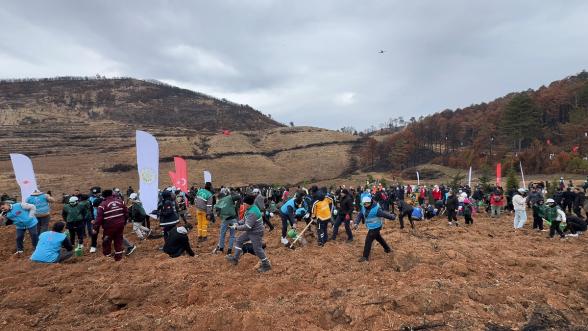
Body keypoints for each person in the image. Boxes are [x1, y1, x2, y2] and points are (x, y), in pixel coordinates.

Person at [226, 194, 272, 273]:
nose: (243, 205)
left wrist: (236, 227)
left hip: (256, 233)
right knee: (239, 240)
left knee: (257, 249)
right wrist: (237, 223)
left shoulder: (252, 212)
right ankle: (235, 259)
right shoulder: (250, 208)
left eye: (244, 203)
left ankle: (266, 264)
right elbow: (244, 220)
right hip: (251, 231)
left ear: (248, 203)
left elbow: (247, 226)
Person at [354, 196, 396, 262]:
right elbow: (360, 215)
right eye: (363, 204)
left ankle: (365, 257)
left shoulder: (376, 209)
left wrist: (393, 217)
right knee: (379, 238)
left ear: (369, 203)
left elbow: (385, 214)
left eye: (365, 204)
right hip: (371, 226)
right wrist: (356, 223)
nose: (364, 205)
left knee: (368, 240)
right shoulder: (364, 207)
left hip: (376, 227)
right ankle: (387, 249)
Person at [94, 189, 128, 261]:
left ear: (103, 196)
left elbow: (99, 218)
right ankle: (118, 258)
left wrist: (95, 228)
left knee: (106, 241)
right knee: (118, 240)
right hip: (120, 225)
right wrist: (124, 222)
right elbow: (126, 212)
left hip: (109, 227)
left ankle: (107, 258)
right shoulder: (120, 201)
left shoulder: (102, 205)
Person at [213, 188, 240, 255]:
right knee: (232, 235)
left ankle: (221, 249)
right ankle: (229, 250)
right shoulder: (229, 198)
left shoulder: (218, 202)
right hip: (233, 219)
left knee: (222, 234)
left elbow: (217, 213)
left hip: (225, 220)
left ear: (219, 198)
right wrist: (232, 192)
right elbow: (238, 197)